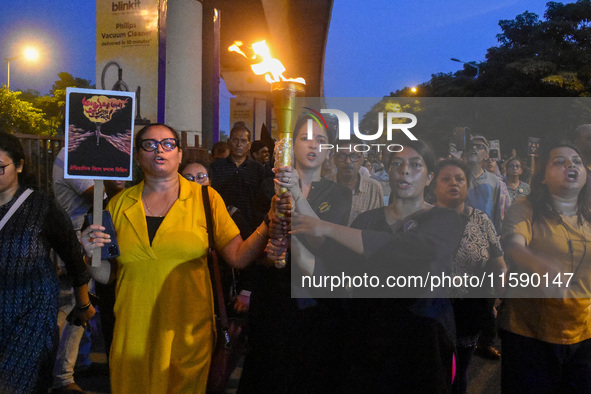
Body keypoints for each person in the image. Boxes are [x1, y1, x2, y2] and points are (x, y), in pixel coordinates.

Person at [81, 123, 282, 393]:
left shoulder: (205, 199)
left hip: (188, 334)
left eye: (167, 144)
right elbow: (110, 275)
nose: (159, 150)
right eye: (149, 145)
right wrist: (90, 254)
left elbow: (238, 256)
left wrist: (268, 222)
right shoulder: (118, 205)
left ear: (179, 154)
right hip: (133, 333)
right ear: (138, 156)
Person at [283, 140, 465, 393]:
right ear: (388, 172)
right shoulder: (368, 220)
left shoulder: (444, 219)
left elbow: (408, 249)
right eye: (397, 164)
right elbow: (330, 259)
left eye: (415, 165)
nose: (405, 171)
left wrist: (327, 228)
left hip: (424, 343)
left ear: (429, 177)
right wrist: (290, 219)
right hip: (370, 340)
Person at [238, 115, 352, 393]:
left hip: (315, 299)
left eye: (321, 140)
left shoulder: (339, 194)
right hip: (273, 294)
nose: (313, 145)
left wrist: (295, 193)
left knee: (310, 373)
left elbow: (322, 236)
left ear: (328, 151)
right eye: (305, 138)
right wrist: (268, 249)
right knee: (267, 370)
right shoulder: (268, 187)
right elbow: (257, 241)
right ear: (292, 146)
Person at [0, 132, 94, 393]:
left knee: (16, 383)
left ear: (19, 165)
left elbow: (73, 256)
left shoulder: (41, 207)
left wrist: (83, 302)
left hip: (31, 314)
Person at [499, 143, 591, 393]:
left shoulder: (588, 214)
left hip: (583, 334)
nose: (570, 165)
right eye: (559, 161)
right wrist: (537, 264)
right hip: (529, 335)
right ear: (542, 177)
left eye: (576, 161)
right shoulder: (525, 207)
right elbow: (513, 245)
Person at [432, 159, 507, 394]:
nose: (453, 183)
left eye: (460, 179)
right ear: (433, 184)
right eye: (446, 179)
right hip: (432, 309)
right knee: (433, 370)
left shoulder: (482, 221)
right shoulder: (422, 219)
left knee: (460, 371)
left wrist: (494, 299)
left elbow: (499, 265)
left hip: (469, 310)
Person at [51, 147, 95, 393]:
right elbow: (97, 196)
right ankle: (62, 377)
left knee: (83, 303)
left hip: (82, 239)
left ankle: (81, 363)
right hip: (75, 241)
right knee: (74, 307)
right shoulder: (73, 155)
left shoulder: (81, 154)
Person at [464, 135, 503, 360]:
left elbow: (497, 212)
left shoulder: (494, 181)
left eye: (480, 147)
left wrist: (496, 243)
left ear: (487, 154)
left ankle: (485, 341)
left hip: (486, 242)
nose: (475, 149)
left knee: (486, 295)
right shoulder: (459, 175)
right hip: (459, 242)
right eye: (472, 146)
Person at [209, 122, 270, 236]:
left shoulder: (257, 170)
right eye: (235, 140)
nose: (239, 144)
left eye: (243, 141)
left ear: (249, 145)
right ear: (229, 142)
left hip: (251, 227)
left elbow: (263, 201)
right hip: (222, 225)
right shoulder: (216, 167)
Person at [333, 136, 384, 224]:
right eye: (342, 156)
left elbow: (379, 226)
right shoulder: (324, 186)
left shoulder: (374, 188)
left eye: (354, 156)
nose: (348, 161)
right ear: (334, 159)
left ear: (362, 159)